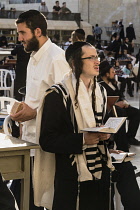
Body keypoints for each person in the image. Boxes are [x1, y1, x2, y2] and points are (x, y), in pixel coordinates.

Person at [33, 41, 114, 210]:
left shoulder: (101, 92)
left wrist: (107, 134)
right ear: (75, 63)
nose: (97, 61)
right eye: (91, 57)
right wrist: (82, 140)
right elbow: (47, 140)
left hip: (101, 171)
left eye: (97, 56)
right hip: (72, 175)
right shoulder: (57, 95)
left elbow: (103, 125)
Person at [10, 9, 70, 210]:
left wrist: (34, 113)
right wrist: (22, 113)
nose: (19, 38)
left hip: (46, 145)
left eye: (22, 33)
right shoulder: (34, 56)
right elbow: (37, 97)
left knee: (34, 199)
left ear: (37, 31)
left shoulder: (57, 58)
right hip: (29, 139)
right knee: (23, 197)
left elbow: (66, 103)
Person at [98, 60, 140, 146]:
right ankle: (122, 140)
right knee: (122, 113)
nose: (114, 74)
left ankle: (130, 137)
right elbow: (102, 102)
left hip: (121, 107)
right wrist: (116, 105)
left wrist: (124, 102)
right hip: (110, 110)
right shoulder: (100, 85)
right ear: (106, 74)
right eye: (112, 72)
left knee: (136, 112)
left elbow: (120, 95)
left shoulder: (112, 83)